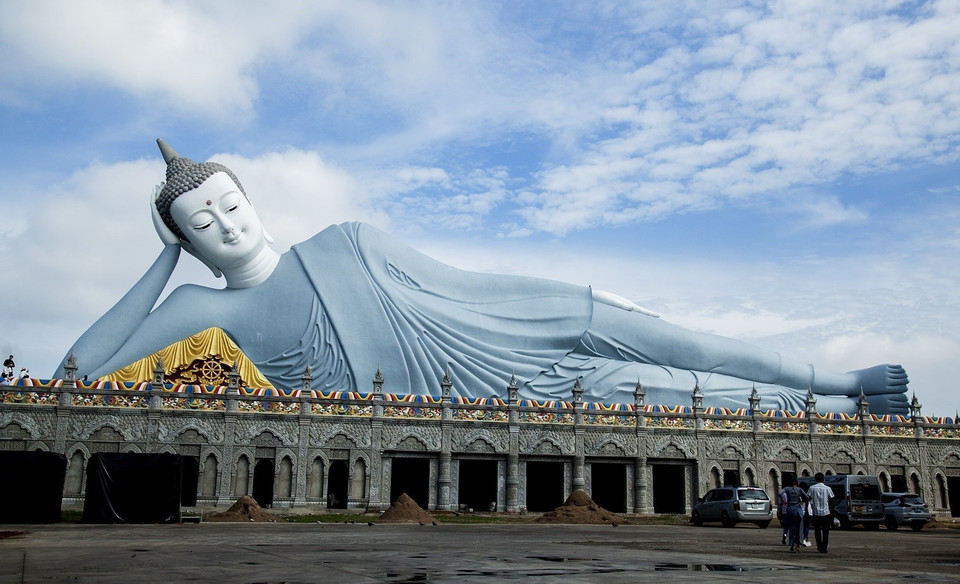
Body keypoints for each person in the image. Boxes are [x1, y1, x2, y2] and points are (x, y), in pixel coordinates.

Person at [55, 140, 911, 414]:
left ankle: (837, 377)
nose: (226, 224)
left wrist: (572, 300)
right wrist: (158, 257)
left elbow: (453, 281)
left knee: (669, 335)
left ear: (253, 197)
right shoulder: (208, 304)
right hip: (472, 399)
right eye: (202, 225)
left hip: (498, 324)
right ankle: (840, 410)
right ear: (193, 249)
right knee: (674, 395)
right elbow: (77, 375)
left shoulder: (347, 238)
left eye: (230, 204)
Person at [808, 472, 834, 553]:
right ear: (823, 479)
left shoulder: (812, 488)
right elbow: (832, 500)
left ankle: (819, 546)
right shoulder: (828, 488)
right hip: (826, 513)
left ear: (815, 479)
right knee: (826, 532)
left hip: (816, 513)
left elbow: (807, 498)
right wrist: (832, 511)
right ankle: (824, 547)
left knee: (817, 531)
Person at [782, 477, 809, 552]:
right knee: (799, 527)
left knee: (792, 527)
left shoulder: (787, 489)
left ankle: (791, 542)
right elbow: (806, 497)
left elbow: (780, 493)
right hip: (798, 509)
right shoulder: (799, 489)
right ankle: (797, 544)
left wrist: (783, 500)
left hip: (790, 508)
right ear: (796, 484)